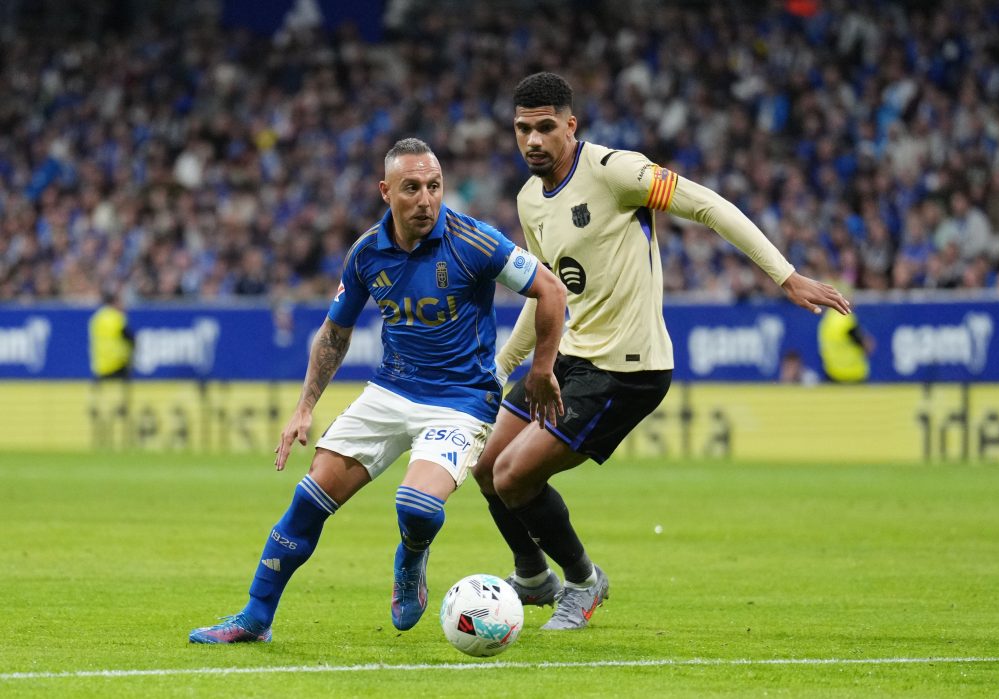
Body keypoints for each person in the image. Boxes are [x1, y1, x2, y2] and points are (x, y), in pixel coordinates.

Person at [472, 72, 852, 631]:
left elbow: (707, 205)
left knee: (512, 476)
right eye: (523, 129)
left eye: (545, 128)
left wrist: (785, 275)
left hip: (628, 368)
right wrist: (501, 367)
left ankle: (581, 581)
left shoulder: (615, 172)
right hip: (572, 357)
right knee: (485, 468)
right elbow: (549, 292)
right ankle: (532, 576)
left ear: (570, 126)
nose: (532, 140)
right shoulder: (531, 200)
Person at [189, 137, 566, 643]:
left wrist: (541, 369)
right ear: (386, 191)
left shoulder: (474, 241)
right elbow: (335, 333)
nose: (426, 199)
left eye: (434, 186)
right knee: (309, 499)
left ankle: (410, 556)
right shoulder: (366, 253)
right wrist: (304, 407)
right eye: (412, 187)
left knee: (417, 507)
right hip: (389, 391)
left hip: (461, 401)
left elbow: (551, 288)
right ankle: (255, 617)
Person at [818, 304, 874, 383]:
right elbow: (865, 343)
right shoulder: (845, 318)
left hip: (833, 372)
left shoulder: (827, 319)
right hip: (853, 373)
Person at [88, 288, 134, 379]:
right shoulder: (116, 317)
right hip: (116, 361)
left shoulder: (97, 317)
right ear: (115, 302)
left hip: (99, 363)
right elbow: (129, 338)